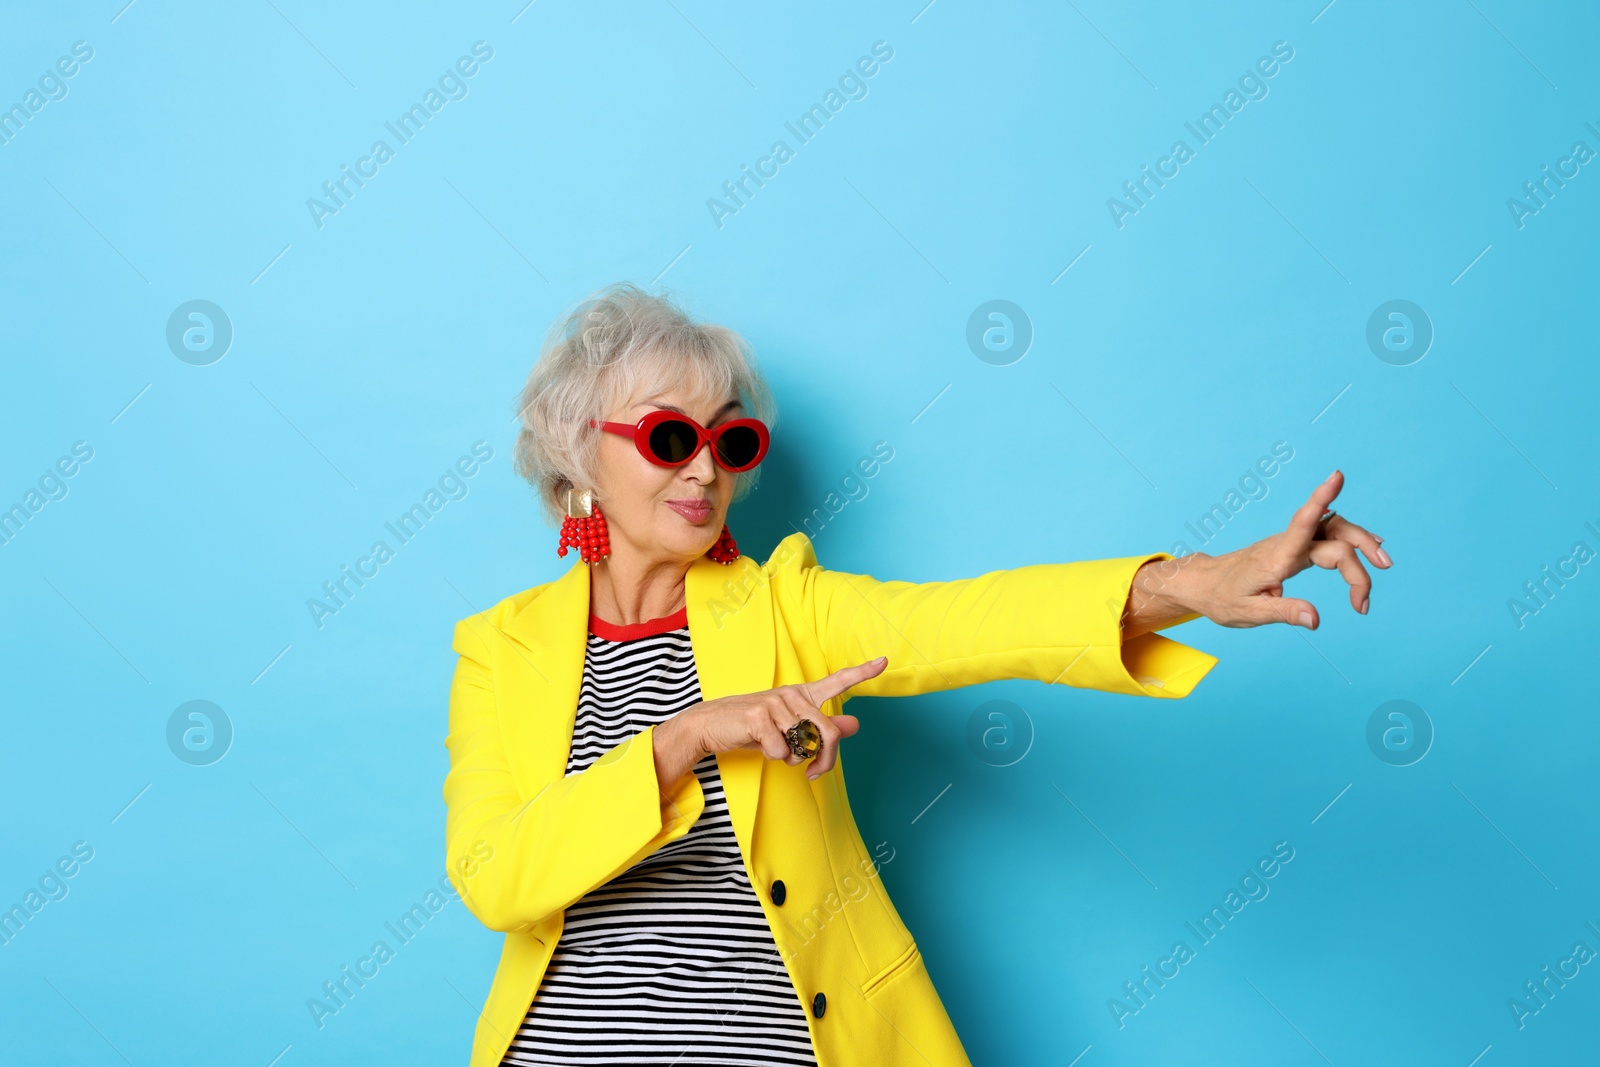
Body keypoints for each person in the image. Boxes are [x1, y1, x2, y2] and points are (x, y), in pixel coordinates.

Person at [442, 283, 1391, 1067]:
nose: (702, 471)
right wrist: (688, 736)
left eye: (728, 442)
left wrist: (1200, 580)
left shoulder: (785, 607)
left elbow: (975, 621)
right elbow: (495, 878)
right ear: (579, 457)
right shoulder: (500, 648)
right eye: (666, 439)